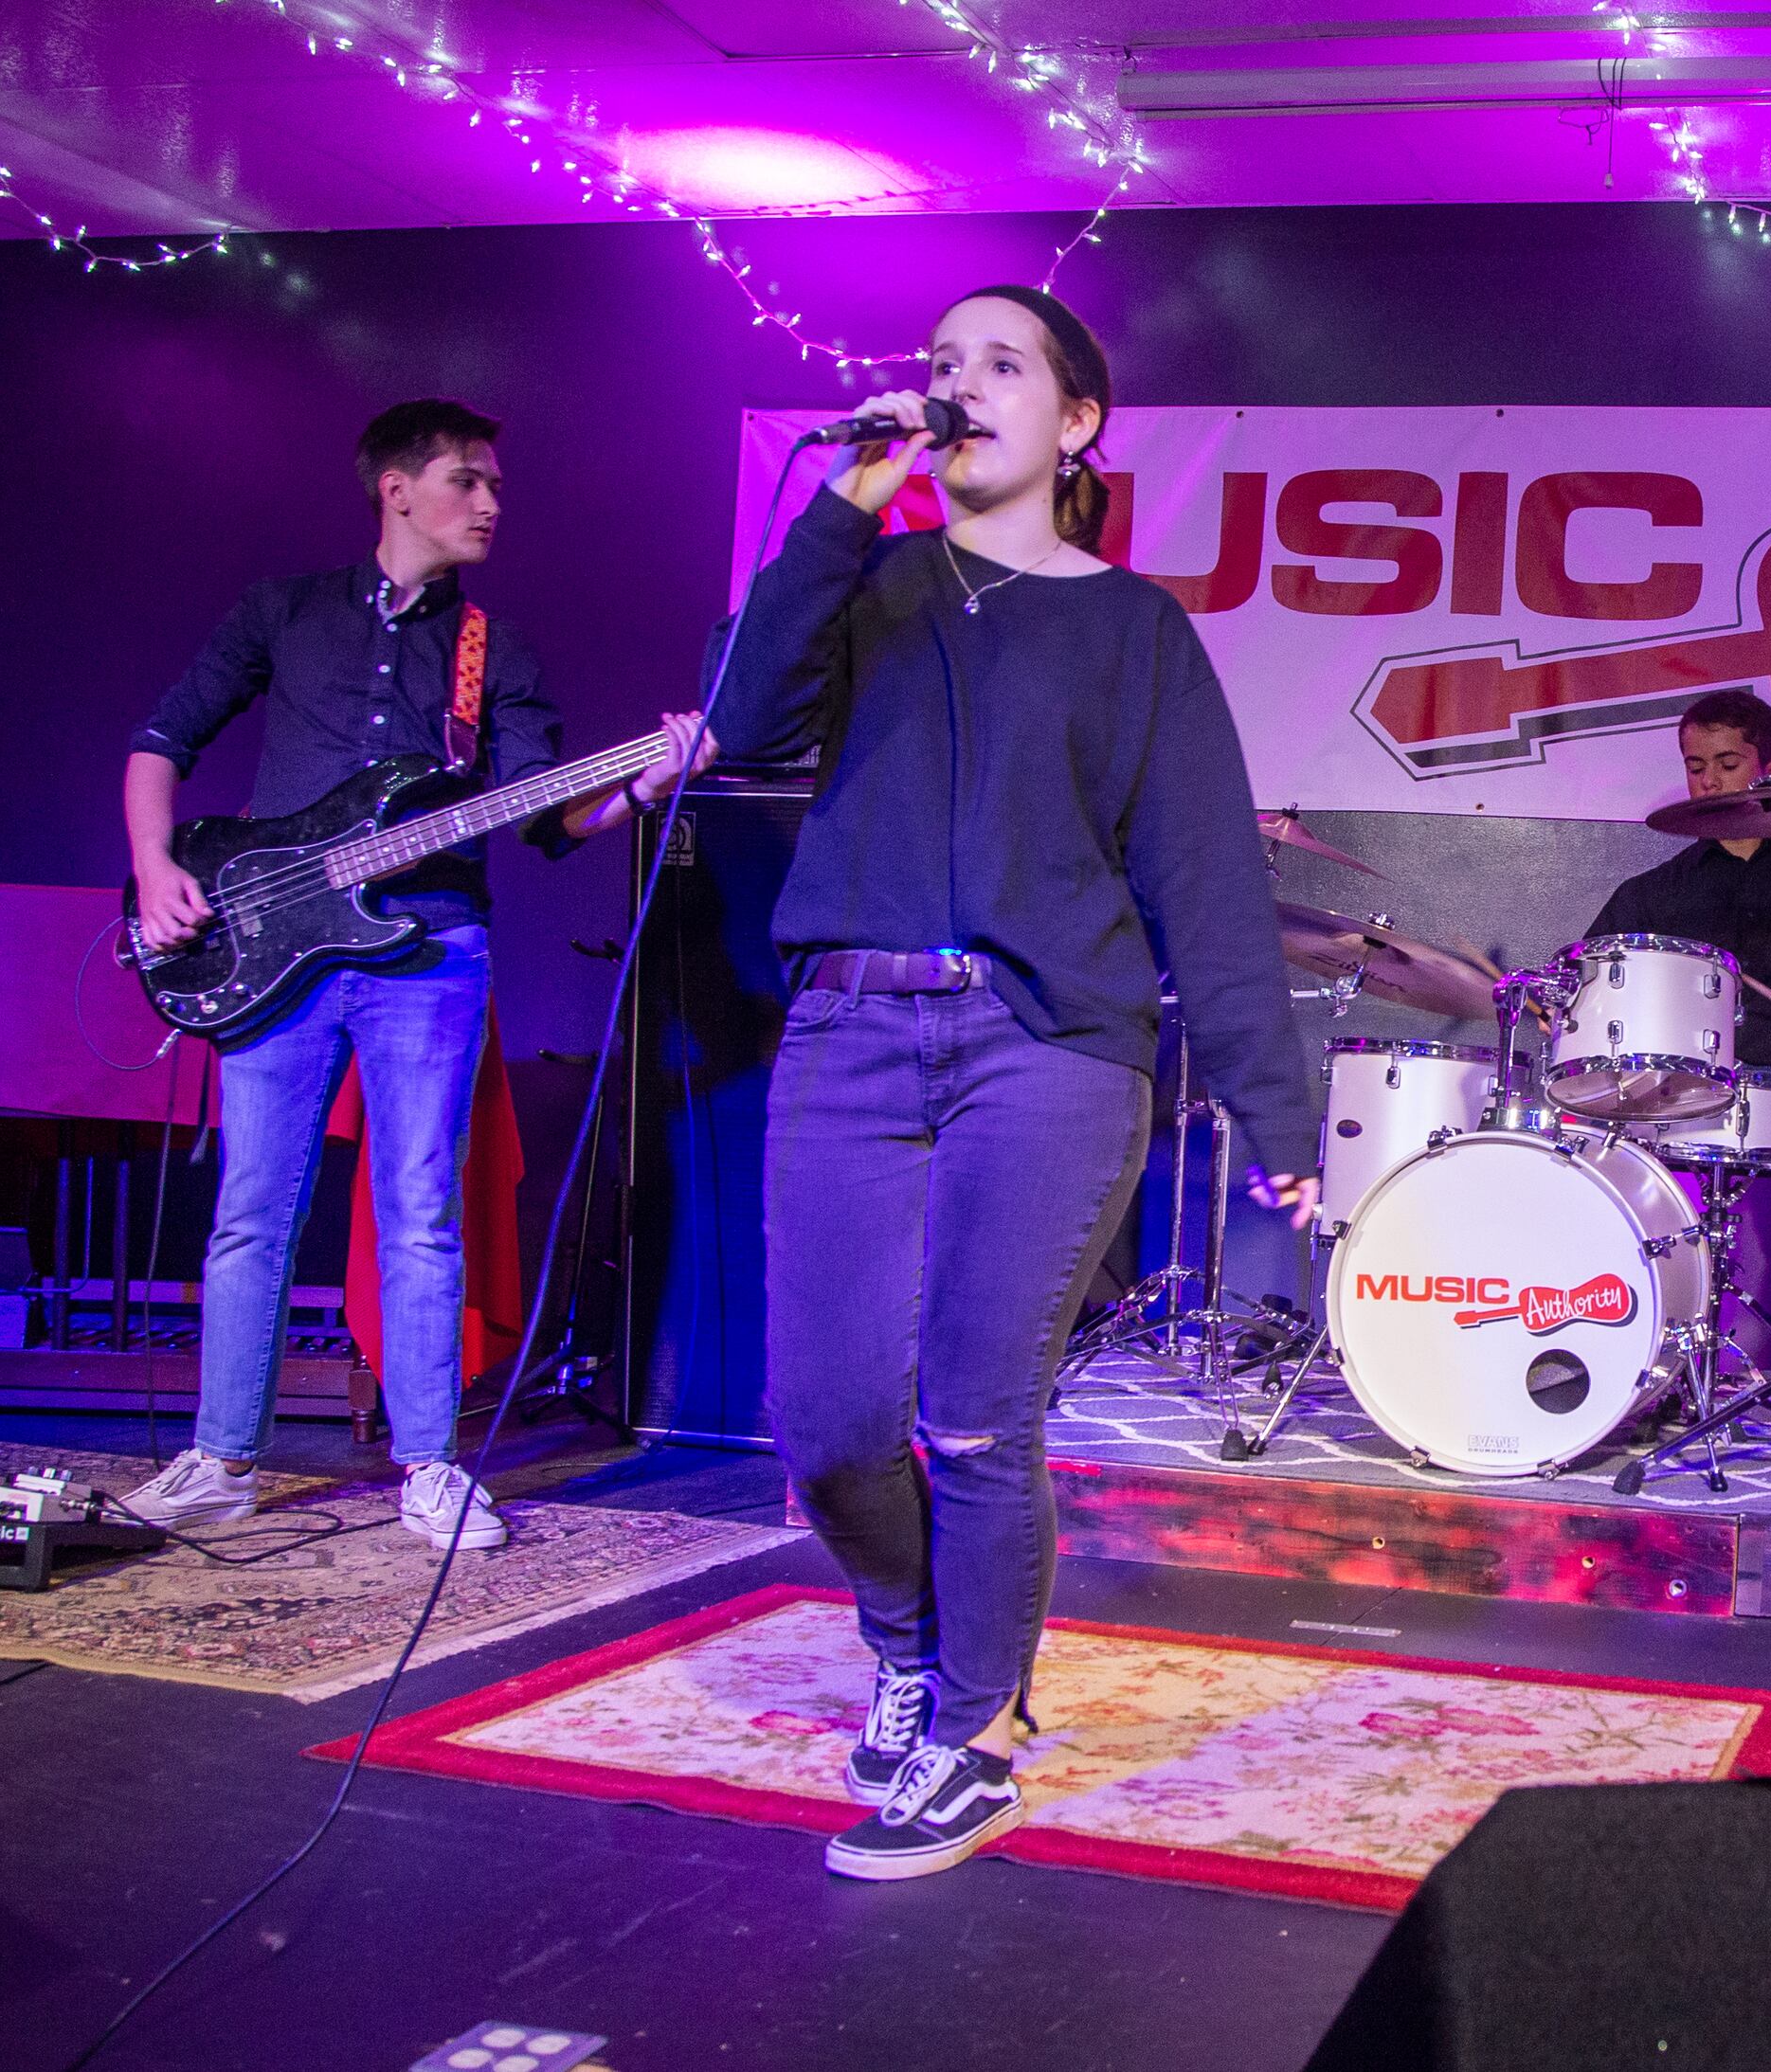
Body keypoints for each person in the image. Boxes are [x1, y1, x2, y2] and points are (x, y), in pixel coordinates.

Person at [714, 284, 1321, 1883]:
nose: (958, 386)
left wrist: (1276, 1110)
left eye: (1000, 364)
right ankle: (908, 1641)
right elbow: (740, 720)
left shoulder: (1134, 631)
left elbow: (1207, 881)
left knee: (979, 1419)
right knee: (829, 1422)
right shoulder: (868, 583)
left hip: (1043, 1047)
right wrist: (845, 511)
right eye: (940, 364)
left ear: (1076, 422)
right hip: (848, 1032)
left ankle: (975, 1730)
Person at [120, 399, 708, 1550]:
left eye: (496, 486)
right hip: (273, 950)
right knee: (253, 1210)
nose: (490, 504)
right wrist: (154, 869)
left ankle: (431, 1467)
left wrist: (645, 781)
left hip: (430, 953)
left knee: (421, 1212)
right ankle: (220, 1460)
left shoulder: (496, 650)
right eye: (466, 481)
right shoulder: (286, 611)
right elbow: (160, 741)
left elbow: (546, 817)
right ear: (396, 489)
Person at [1582, 689, 1771, 1362]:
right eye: (1695, 765)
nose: (1708, 780)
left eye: (1727, 763)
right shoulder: (1653, 891)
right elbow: (1588, 979)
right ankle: (1619, 1325)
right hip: (1673, 1089)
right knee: (1594, 1138)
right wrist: (1561, 1004)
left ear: (1769, 769)